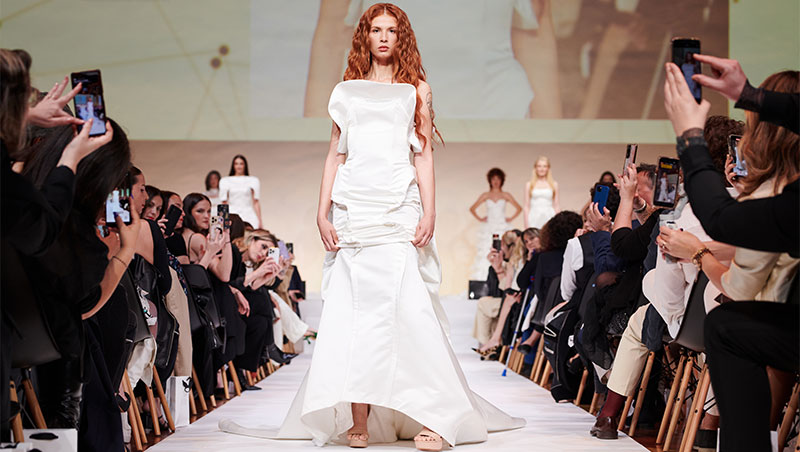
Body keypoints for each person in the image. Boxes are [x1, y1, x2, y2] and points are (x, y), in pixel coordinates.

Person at [220, 4, 524, 450]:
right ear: (365, 35)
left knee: (410, 312)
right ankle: (358, 417)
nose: (383, 37)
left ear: (402, 37)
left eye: (392, 30)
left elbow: (423, 154)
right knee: (354, 315)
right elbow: (335, 154)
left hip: (398, 209)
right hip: (353, 212)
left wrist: (430, 212)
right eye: (376, 29)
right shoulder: (345, 91)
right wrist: (321, 212)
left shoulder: (416, 90)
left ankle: (437, 417)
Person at [661, 60, 799, 452]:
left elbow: (736, 275)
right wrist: (750, 95)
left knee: (726, 324)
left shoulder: (777, 194)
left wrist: (690, 137)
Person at [468, 167, 523, 280]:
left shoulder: (505, 195)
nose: (496, 181)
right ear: (490, 180)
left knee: (504, 250)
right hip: (489, 228)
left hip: (502, 226)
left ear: (502, 180)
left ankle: (504, 278)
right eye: (493, 179)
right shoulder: (486, 195)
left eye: (498, 179)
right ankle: (484, 279)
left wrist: (510, 218)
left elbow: (519, 208)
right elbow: (472, 208)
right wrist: (481, 219)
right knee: (486, 250)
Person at [219, 155, 262, 228]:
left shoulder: (253, 180)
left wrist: (260, 220)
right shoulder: (225, 181)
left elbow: (256, 202)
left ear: (245, 165)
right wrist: (223, 221)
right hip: (232, 213)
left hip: (248, 214)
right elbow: (224, 203)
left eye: (241, 164)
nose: (239, 166)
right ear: (233, 166)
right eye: (236, 164)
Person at [523, 156, 559, 229]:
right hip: (534, 216)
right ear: (535, 168)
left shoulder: (554, 184)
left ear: (548, 168)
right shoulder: (529, 185)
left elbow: (556, 205)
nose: (542, 169)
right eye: (539, 166)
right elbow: (526, 206)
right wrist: (526, 225)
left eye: (544, 166)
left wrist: (558, 222)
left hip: (549, 215)